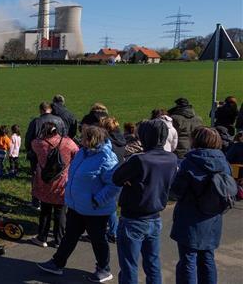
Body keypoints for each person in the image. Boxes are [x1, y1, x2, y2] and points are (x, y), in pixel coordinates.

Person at [38, 125, 121, 283]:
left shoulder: (106, 158)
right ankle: (57, 263)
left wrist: (97, 200)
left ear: (91, 139)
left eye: (83, 137)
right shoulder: (83, 153)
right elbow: (76, 174)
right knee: (69, 236)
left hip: (95, 210)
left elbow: (114, 184)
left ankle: (104, 269)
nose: (80, 139)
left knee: (98, 240)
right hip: (77, 206)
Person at [112, 119, 178, 284]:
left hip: (133, 218)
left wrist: (131, 180)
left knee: (129, 265)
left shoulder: (139, 160)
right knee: (153, 263)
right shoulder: (171, 158)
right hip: (154, 217)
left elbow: (117, 178)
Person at [170, 127, 232, 284]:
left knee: (188, 260)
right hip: (213, 217)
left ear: (195, 140)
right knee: (207, 257)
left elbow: (176, 191)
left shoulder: (189, 162)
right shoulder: (223, 162)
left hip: (190, 217)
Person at [31, 122, 79, 248]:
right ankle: (59, 239)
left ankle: (42, 237)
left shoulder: (38, 143)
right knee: (61, 212)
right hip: (62, 181)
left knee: (45, 211)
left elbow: (33, 143)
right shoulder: (68, 143)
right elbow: (77, 153)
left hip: (44, 181)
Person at [25, 102, 67, 210]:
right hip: (56, 154)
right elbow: (64, 136)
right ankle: (55, 198)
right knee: (57, 176)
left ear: (41, 110)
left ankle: (36, 201)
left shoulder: (36, 121)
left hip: (39, 153)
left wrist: (30, 150)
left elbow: (29, 138)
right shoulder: (59, 120)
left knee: (37, 177)